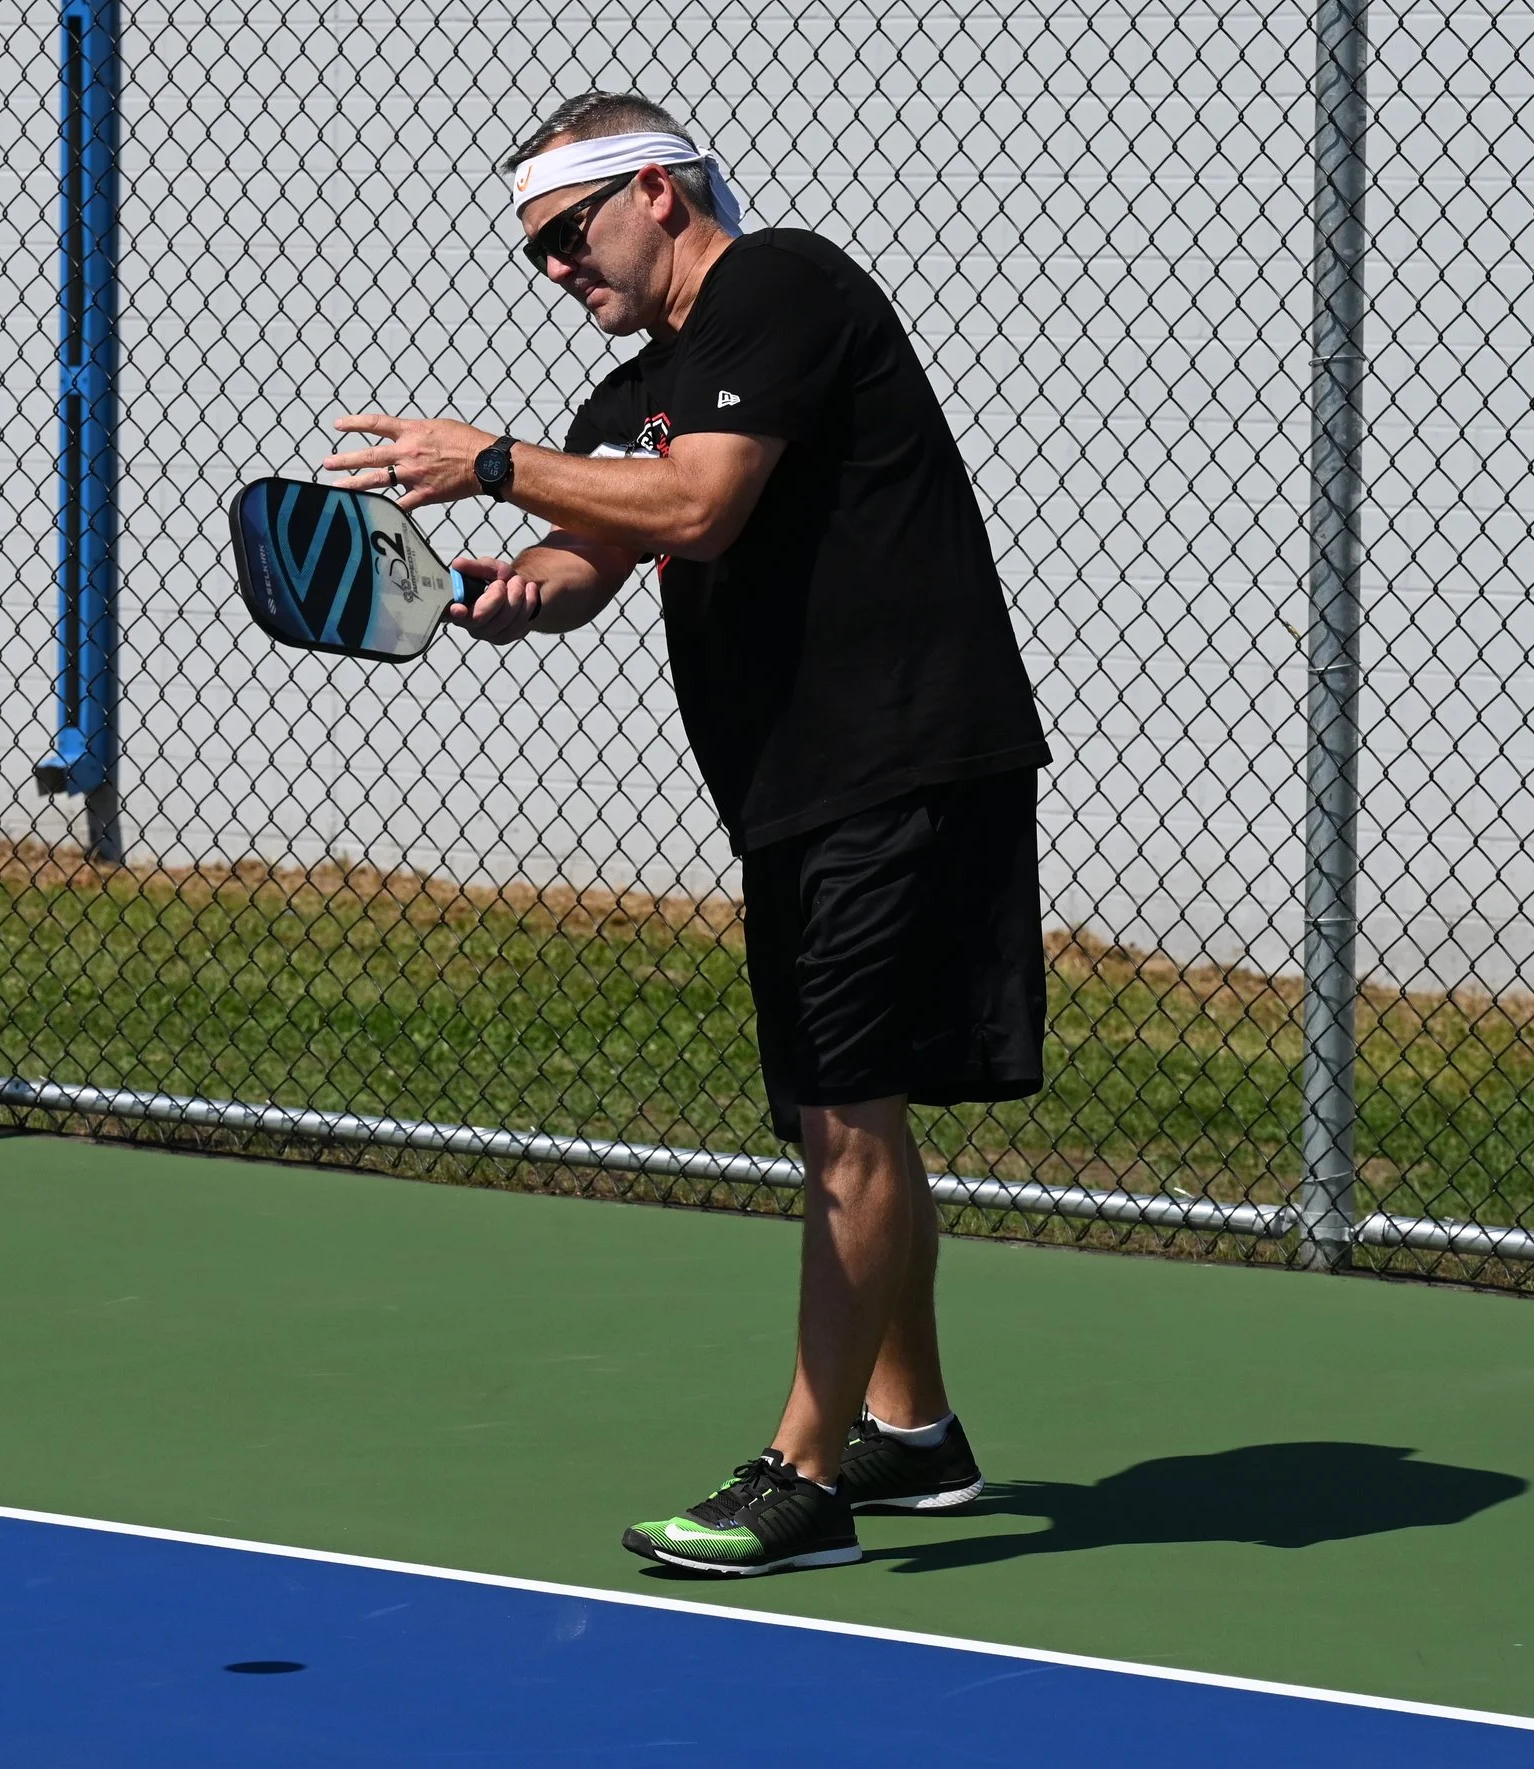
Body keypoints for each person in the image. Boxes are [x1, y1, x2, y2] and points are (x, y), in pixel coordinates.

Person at [319, 91, 1050, 1575]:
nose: (552, 272)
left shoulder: (786, 283)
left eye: (566, 236)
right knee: (847, 1115)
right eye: (529, 254)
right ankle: (912, 1432)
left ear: (655, 190)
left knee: (847, 1116)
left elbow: (700, 507)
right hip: (794, 791)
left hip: (902, 761)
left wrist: (499, 462)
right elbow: (593, 557)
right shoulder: (631, 398)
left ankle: (804, 1482)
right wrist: (493, 585)